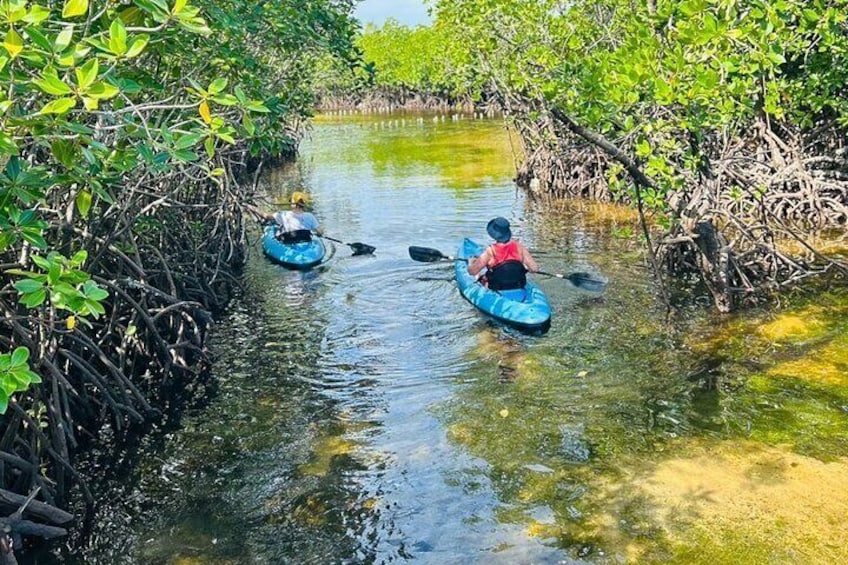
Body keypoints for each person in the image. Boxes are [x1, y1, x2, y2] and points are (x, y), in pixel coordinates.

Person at [467, 217, 539, 290]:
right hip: (518, 286)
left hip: (497, 288)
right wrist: (524, 268)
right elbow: (534, 269)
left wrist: (471, 262)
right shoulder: (519, 247)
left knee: (479, 276)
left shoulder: (490, 251)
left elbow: (472, 272)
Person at [250, 191, 323, 242]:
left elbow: (266, 216)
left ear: (294, 203)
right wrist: (317, 234)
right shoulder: (310, 216)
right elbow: (320, 232)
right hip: (305, 240)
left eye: (291, 201)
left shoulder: (283, 214)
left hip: (288, 242)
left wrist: (252, 208)